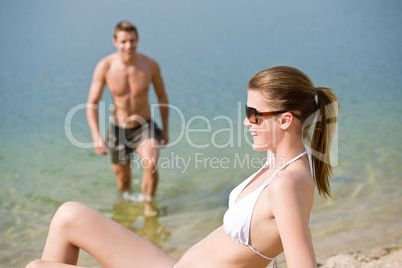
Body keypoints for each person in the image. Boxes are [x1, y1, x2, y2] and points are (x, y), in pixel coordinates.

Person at [26, 66, 340, 268]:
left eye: (255, 114)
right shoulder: (281, 164)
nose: (247, 121)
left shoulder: (287, 183)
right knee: (69, 215)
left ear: (286, 120)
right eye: (247, 111)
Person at [86, 21, 169, 216]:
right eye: (123, 41)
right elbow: (92, 103)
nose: (128, 46)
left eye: (132, 41)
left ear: (137, 40)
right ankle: (125, 211)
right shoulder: (105, 66)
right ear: (115, 41)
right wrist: (96, 136)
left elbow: (162, 96)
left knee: (151, 162)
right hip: (118, 129)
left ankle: (148, 204)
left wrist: (165, 129)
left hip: (144, 126)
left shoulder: (150, 65)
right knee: (123, 182)